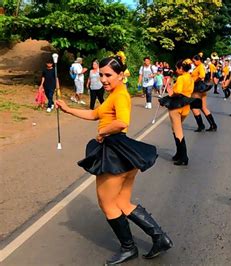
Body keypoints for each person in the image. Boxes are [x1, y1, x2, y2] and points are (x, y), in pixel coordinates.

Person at [55, 56, 173, 265]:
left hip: (114, 151)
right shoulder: (113, 95)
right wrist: (68, 109)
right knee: (122, 202)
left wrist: (103, 133)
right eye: (101, 74)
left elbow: (121, 122)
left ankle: (128, 248)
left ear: (121, 75)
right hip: (123, 151)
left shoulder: (120, 96)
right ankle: (159, 237)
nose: (103, 79)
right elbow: (94, 114)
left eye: (108, 75)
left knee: (106, 202)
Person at [158, 59, 195, 165]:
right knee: (175, 128)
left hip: (177, 106)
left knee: (177, 130)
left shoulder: (181, 78)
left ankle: (183, 156)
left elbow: (177, 91)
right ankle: (179, 154)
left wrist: (170, 90)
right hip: (186, 105)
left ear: (181, 68)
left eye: (177, 68)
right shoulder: (190, 78)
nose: (176, 70)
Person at [191, 54, 218, 132]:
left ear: (198, 60)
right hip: (200, 89)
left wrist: (194, 80)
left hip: (197, 89)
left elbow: (202, 76)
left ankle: (201, 126)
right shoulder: (200, 66)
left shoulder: (200, 67)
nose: (193, 62)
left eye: (194, 61)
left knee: (194, 107)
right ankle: (213, 125)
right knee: (203, 107)